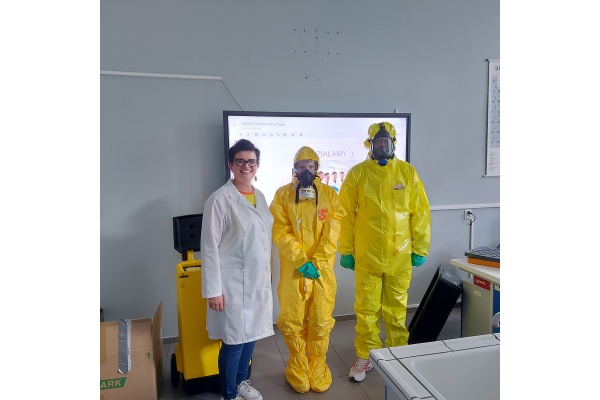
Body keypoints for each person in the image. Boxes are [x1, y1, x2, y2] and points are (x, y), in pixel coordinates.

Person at [338, 122, 431, 382]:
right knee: (366, 309)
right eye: (377, 142)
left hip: (399, 256)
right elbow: (344, 214)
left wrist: (420, 247)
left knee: (396, 309)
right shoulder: (357, 174)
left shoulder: (407, 173)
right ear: (369, 145)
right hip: (366, 255)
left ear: (393, 144)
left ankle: (398, 355)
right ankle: (365, 356)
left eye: (385, 142)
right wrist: (346, 249)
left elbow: (420, 212)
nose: (381, 146)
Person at [201, 139, 274, 400]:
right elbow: (209, 247)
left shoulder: (260, 196)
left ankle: (242, 383)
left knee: (251, 335)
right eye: (240, 161)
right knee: (234, 342)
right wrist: (214, 291)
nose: (246, 166)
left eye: (251, 161)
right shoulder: (219, 199)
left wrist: (269, 273)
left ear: (257, 165)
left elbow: (263, 239)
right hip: (231, 284)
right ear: (231, 165)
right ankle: (229, 395)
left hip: (257, 281)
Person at [269, 146, 345, 393]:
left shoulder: (329, 195)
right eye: (301, 167)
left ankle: (318, 366)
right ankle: (298, 366)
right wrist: (301, 261)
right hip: (294, 270)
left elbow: (333, 232)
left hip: (321, 271)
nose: (306, 171)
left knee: (321, 319)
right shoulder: (282, 195)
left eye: (310, 166)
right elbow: (280, 230)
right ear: (294, 169)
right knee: (292, 318)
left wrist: (318, 262)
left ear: (317, 168)